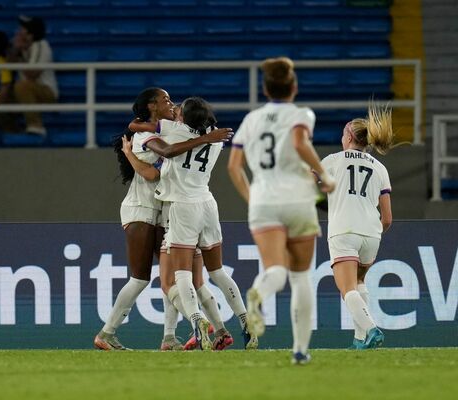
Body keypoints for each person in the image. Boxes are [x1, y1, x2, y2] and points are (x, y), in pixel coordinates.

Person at [93, 88, 230, 351]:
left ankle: (169, 337)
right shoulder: (145, 135)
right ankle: (107, 333)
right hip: (141, 209)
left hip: (165, 212)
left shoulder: (161, 129)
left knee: (175, 277)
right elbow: (155, 173)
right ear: (152, 106)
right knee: (141, 278)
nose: (171, 103)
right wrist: (132, 157)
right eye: (165, 100)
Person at [227, 57, 335, 365]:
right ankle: (300, 351)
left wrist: (252, 199)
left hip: (263, 200)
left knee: (275, 269)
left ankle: (258, 294)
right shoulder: (302, 114)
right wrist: (324, 175)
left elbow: (234, 167)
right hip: (298, 198)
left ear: (264, 88)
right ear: (294, 87)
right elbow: (300, 143)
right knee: (301, 278)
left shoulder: (251, 120)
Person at [128, 97, 251, 351]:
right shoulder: (215, 137)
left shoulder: (175, 130)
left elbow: (135, 127)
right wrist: (207, 136)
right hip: (207, 203)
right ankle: (246, 322)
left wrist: (131, 151)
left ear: (183, 118)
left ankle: (197, 324)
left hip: (182, 208)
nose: (174, 108)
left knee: (181, 275)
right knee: (217, 272)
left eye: (179, 108)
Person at [321, 103, 394, 350]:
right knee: (359, 283)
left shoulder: (332, 161)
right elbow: (387, 218)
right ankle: (360, 339)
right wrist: (372, 231)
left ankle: (372, 329)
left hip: (343, 230)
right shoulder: (380, 168)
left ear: (349, 136)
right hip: (372, 234)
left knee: (347, 288)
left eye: (343, 134)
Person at [10, 15, 58, 136]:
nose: (19, 32)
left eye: (23, 29)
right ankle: (11, 132)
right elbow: (8, 63)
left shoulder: (41, 45)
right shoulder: (23, 48)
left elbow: (33, 74)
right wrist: (16, 50)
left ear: (31, 34)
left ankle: (36, 125)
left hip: (46, 92)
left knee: (22, 86)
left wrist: (20, 55)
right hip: (24, 92)